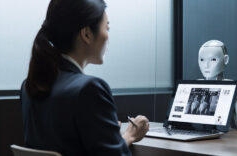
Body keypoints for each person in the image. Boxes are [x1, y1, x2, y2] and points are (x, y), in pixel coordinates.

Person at [20, 0, 149, 155]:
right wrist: (128, 136)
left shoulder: (30, 86)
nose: (108, 36)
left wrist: (117, 135)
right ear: (87, 34)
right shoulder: (89, 89)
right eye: (106, 27)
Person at [198, 40, 237, 130]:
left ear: (226, 59)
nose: (206, 65)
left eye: (213, 59)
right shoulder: (194, 86)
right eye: (202, 59)